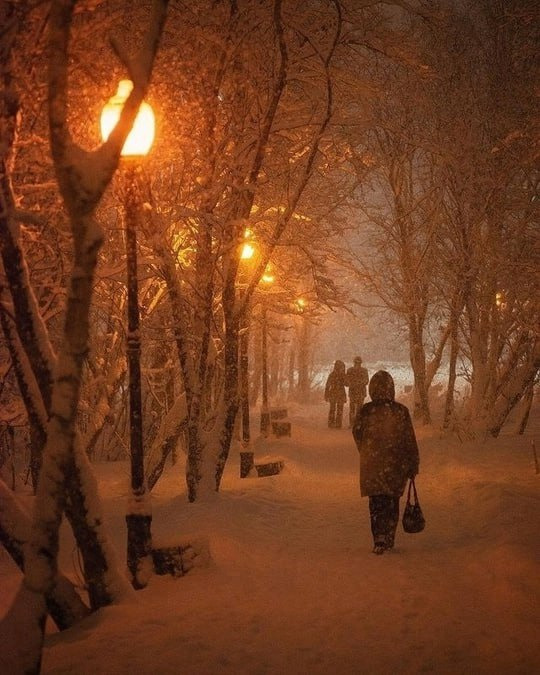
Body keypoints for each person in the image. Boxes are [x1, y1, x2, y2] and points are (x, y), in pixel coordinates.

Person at [352, 370, 419, 554]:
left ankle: (379, 537)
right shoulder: (400, 411)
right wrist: (413, 462)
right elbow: (409, 439)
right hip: (395, 464)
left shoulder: (366, 411)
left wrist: (366, 449)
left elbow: (357, 431)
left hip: (372, 464)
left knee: (375, 502)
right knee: (392, 501)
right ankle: (389, 536)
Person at [345, 356, 369, 428]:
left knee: (356, 408)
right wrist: (358, 383)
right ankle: (356, 423)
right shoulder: (363, 371)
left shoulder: (350, 370)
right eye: (357, 362)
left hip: (356, 392)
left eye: (358, 363)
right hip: (357, 392)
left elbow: (366, 381)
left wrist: (354, 383)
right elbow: (347, 381)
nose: (357, 364)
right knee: (356, 408)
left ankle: (354, 423)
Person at [324, 360, 347, 428]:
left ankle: (333, 423)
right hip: (339, 393)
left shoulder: (332, 374)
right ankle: (337, 423)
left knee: (334, 409)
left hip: (334, 393)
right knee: (337, 409)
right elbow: (347, 384)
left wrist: (326, 394)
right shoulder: (338, 375)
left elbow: (327, 385)